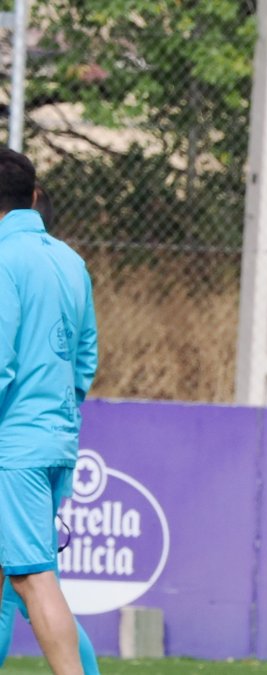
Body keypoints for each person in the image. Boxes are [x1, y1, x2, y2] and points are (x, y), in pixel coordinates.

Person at [0, 155, 99, 675]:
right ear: (32, 195)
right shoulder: (69, 260)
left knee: (34, 581)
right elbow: (85, 360)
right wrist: (57, 417)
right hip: (55, 439)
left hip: (12, 448)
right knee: (9, 581)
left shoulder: (3, 260)